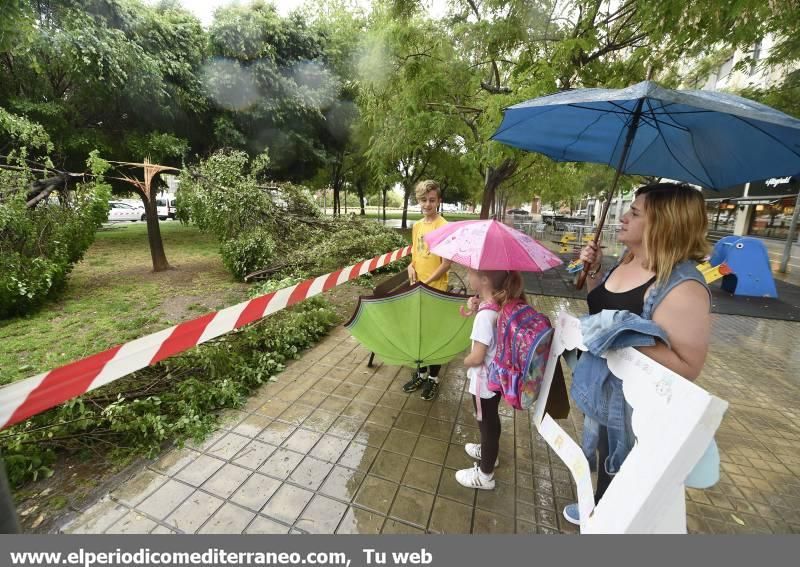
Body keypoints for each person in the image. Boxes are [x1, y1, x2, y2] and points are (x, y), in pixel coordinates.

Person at [563, 182, 712, 525]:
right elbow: (603, 309)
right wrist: (596, 273)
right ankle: (598, 506)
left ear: (663, 224)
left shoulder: (682, 287)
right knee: (603, 456)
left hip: (633, 410)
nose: (623, 217)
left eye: (635, 212)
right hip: (603, 393)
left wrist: (625, 336)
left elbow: (689, 367)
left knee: (625, 472)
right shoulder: (628, 260)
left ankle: (610, 521)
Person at [455, 269, 526, 490]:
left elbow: (476, 357)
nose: (468, 277)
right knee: (489, 420)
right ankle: (489, 452)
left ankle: (485, 475)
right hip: (495, 380)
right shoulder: (498, 305)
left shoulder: (486, 316)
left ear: (484, 280)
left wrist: (463, 360)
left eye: (471, 274)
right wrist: (477, 307)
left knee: (486, 422)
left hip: (483, 382)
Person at [403, 180, 452, 401]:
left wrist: (427, 282)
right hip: (417, 289)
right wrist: (410, 267)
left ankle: (433, 379)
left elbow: (446, 264)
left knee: (433, 337)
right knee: (419, 334)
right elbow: (415, 257)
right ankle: (421, 373)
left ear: (439, 201)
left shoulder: (444, 227)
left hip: (436, 291)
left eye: (432, 200)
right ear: (418, 201)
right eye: (423, 200)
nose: (427, 204)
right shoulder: (417, 227)